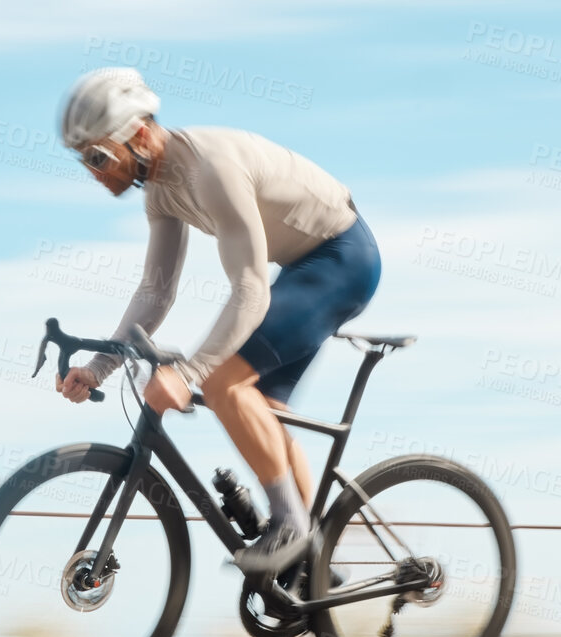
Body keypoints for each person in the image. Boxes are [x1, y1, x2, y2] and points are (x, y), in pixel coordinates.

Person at [53, 67, 381, 576]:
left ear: (138, 134)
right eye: (85, 162)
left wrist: (189, 374)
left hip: (342, 259)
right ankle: (312, 570)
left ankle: (292, 528)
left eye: (98, 156)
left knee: (226, 383)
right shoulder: (160, 190)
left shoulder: (211, 168)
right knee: (261, 412)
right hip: (303, 269)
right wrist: (99, 368)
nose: (95, 172)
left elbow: (249, 290)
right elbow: (156, 293)